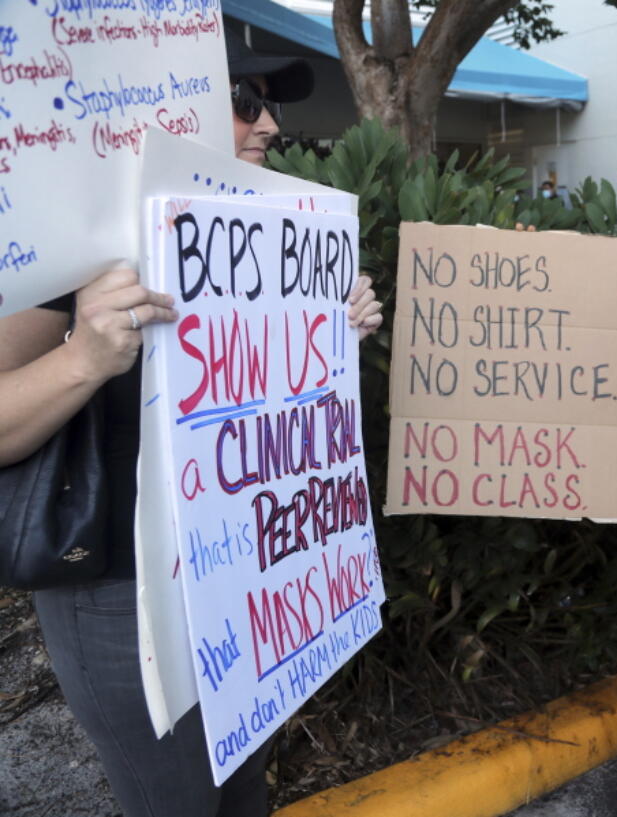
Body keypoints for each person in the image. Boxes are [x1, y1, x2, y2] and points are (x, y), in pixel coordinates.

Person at [0, 29, 384, 817]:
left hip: (238, 567)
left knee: (242, 792)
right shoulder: (76, 246)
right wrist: (83, 358)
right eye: (243, 104)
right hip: (118, 590)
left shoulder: (268, 236)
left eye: (268, 107)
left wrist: (333, 324)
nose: (268, 126)